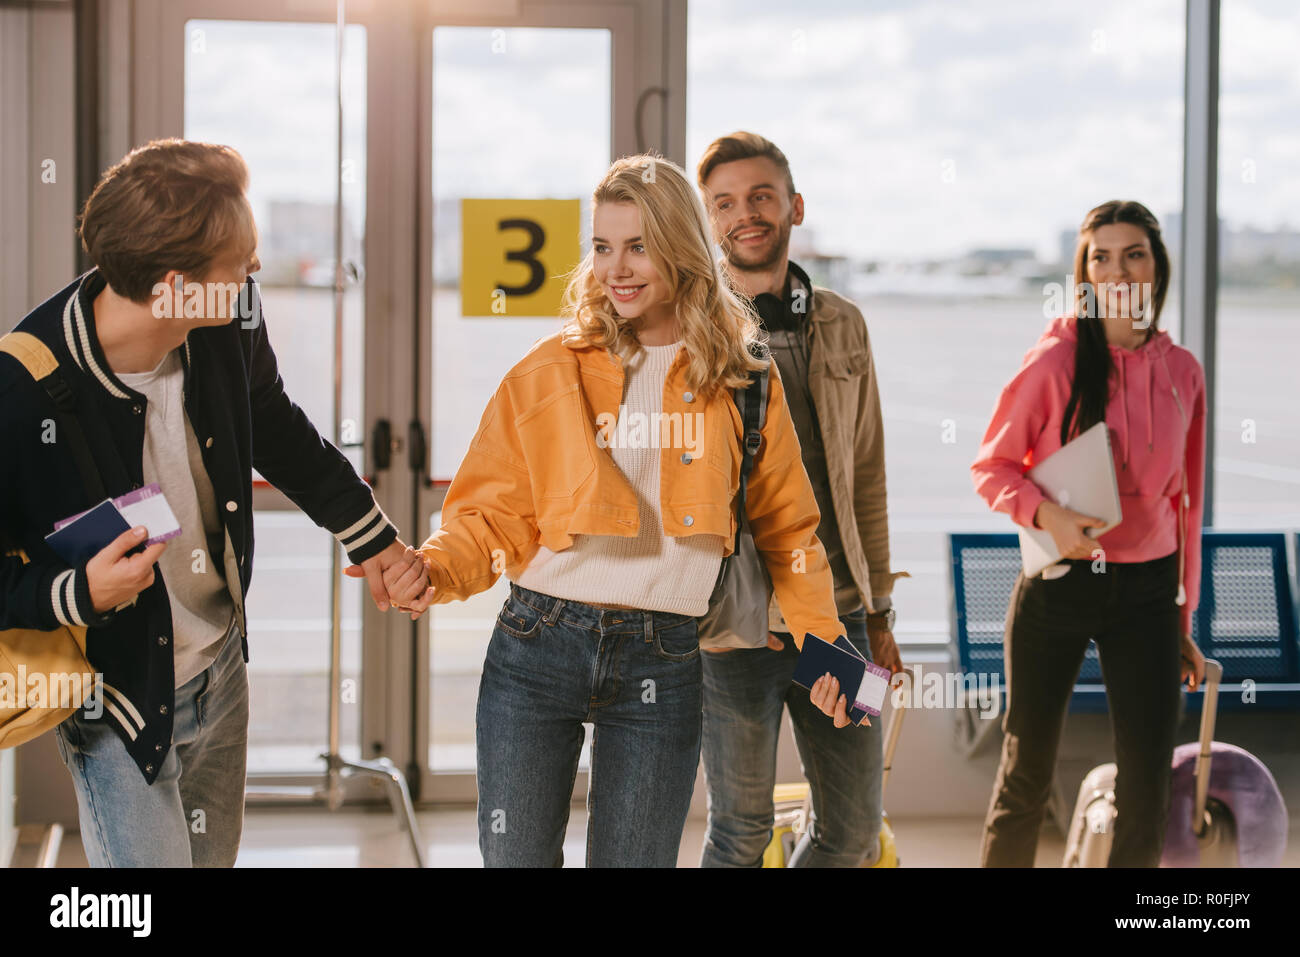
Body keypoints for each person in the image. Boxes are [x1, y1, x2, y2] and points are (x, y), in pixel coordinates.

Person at [0, 139, 430, 867]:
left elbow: (275, 425)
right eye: (242, 261)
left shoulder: (226, 320)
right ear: (176, 286)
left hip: (221, 667)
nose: (255, 272)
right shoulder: (23, 388)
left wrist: (374, 539)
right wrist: (79, 592)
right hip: (120, 697)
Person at [413, 153, 851, 867]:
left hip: (667, 652)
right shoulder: (547, 369)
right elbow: (488, 515)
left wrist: (825, 641)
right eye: (603, 246)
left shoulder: (743, 380)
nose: (616, 268)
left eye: (639, 246)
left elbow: (790, 529)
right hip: (537, 642)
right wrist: (435, 570)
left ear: (680, 246)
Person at [971, 199, 1208, 868]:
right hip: (1060, 581)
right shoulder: (1054, 362)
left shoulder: (1183, 370)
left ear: (1157, 266)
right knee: (1027, 771)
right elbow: (991, 467)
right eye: (1100, 256)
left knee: (1148, 780)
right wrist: (1048, 515)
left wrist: (1182, 616)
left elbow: (1188, 502)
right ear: (1085, 271)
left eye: (1133, 252)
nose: (1117, 268)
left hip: (1149, 591)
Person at [694, 131, 907, 867]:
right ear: (707, 219)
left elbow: (869, 474)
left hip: (840, 611)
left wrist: (879, 616)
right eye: (725, 202)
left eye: (761, 196)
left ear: (794, 206)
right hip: (734, 621)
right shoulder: (692, 330)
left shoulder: (845, 323)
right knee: (739, 832)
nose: (745, 214)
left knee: (853, 832)